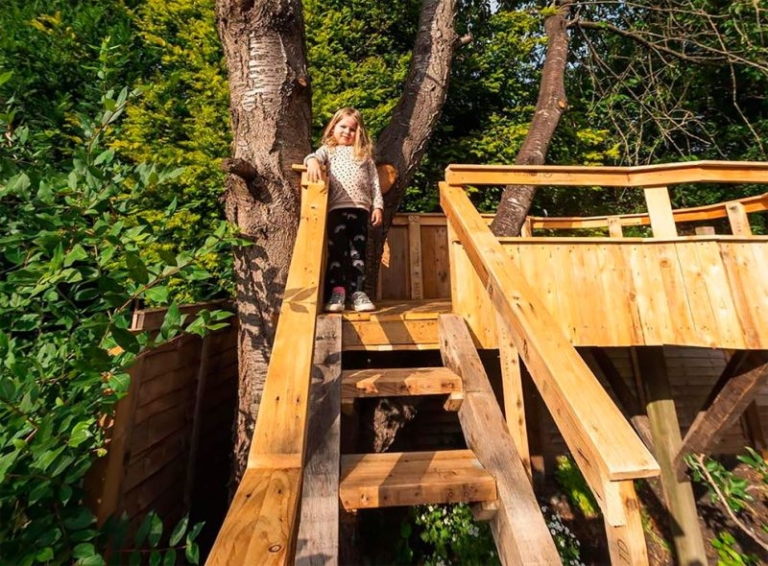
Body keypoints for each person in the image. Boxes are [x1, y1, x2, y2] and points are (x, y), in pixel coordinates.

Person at [304, 107, 383, 312]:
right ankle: (337, 293)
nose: (347, 132)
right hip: (336, 210)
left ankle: (358, 293)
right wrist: (311, 161)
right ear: (333, 128)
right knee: (337, 253)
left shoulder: (364, 156)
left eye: (352, 129)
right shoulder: (328, 150)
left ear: (359, 133)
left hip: (361, 210)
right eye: (343, 127)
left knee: (359, 253)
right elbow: (313, 156)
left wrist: (378, 206)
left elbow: (374, 183)